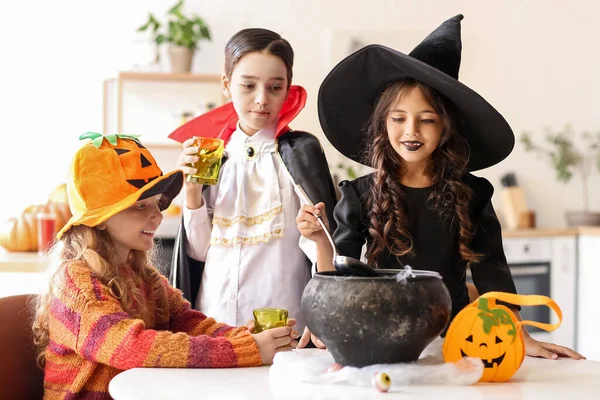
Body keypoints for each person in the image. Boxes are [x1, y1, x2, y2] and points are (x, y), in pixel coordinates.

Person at [296, 15, 584, 360]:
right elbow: (342, 269)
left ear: (446, 126)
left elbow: (493, 272)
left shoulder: (474, 194)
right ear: (382, 124)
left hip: (457, 341)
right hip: (379, 338)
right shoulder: (358, 195)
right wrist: (319, 244)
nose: (411, 131)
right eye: (399, 118)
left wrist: (519, 334)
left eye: (427, 119)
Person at [32, 132, 298, 400]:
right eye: (140, 206)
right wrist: (246, 350)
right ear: (100, 219)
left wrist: (241, 336)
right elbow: (131, 347)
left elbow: (188, 322)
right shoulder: (74, 282)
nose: (157, 215)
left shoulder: (141, 274)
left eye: (157, 203)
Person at [168, 28, 337, 334]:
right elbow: (199, 253)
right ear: (226, 84)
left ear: (288, 90)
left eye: (275, 87)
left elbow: (324, 247)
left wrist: (317, 231)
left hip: (284, 318)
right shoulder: (212, 155)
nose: (262, 99)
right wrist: (192, 192)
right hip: (215, 318)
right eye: (248, 85)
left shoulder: (300, 153)